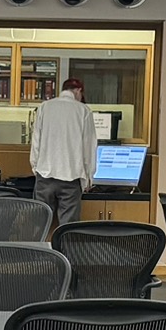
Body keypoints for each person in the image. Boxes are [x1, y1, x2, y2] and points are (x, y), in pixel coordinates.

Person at [29, 75, 97, 227]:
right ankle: (65, 251)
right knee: (68, 228)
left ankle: (37, 250)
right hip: (71, 178)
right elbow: (89, 147)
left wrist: (36, 168)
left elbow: (36, 141)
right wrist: (88, 177)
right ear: (78, 90)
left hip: (45, 176)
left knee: (39, 225)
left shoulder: (45, 107)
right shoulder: (83, 110)